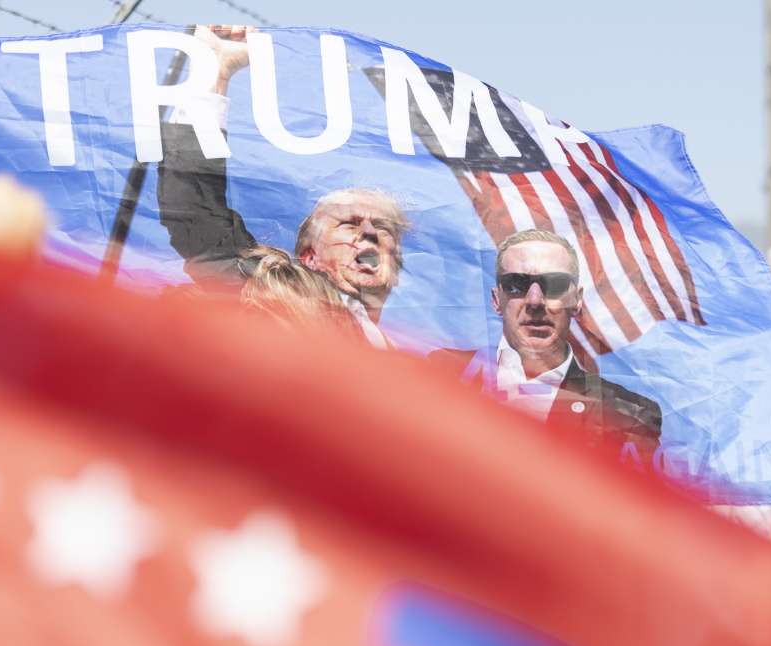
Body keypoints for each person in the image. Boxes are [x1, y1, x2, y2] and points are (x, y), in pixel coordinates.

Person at [157, 24, 407, 348]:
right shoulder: (277, 296)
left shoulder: (408, 361)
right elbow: (195, 211)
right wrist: (215, 70)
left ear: (398, 265)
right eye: (350, 223)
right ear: (309, 257)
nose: (370, 232)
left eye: (384, 227)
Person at [431, 230, 661, 459]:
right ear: (496, 300)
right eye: (515, 285)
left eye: (554, 284)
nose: (535, 301)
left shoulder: (628, 415)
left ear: (577, 301)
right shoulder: (440, 374)